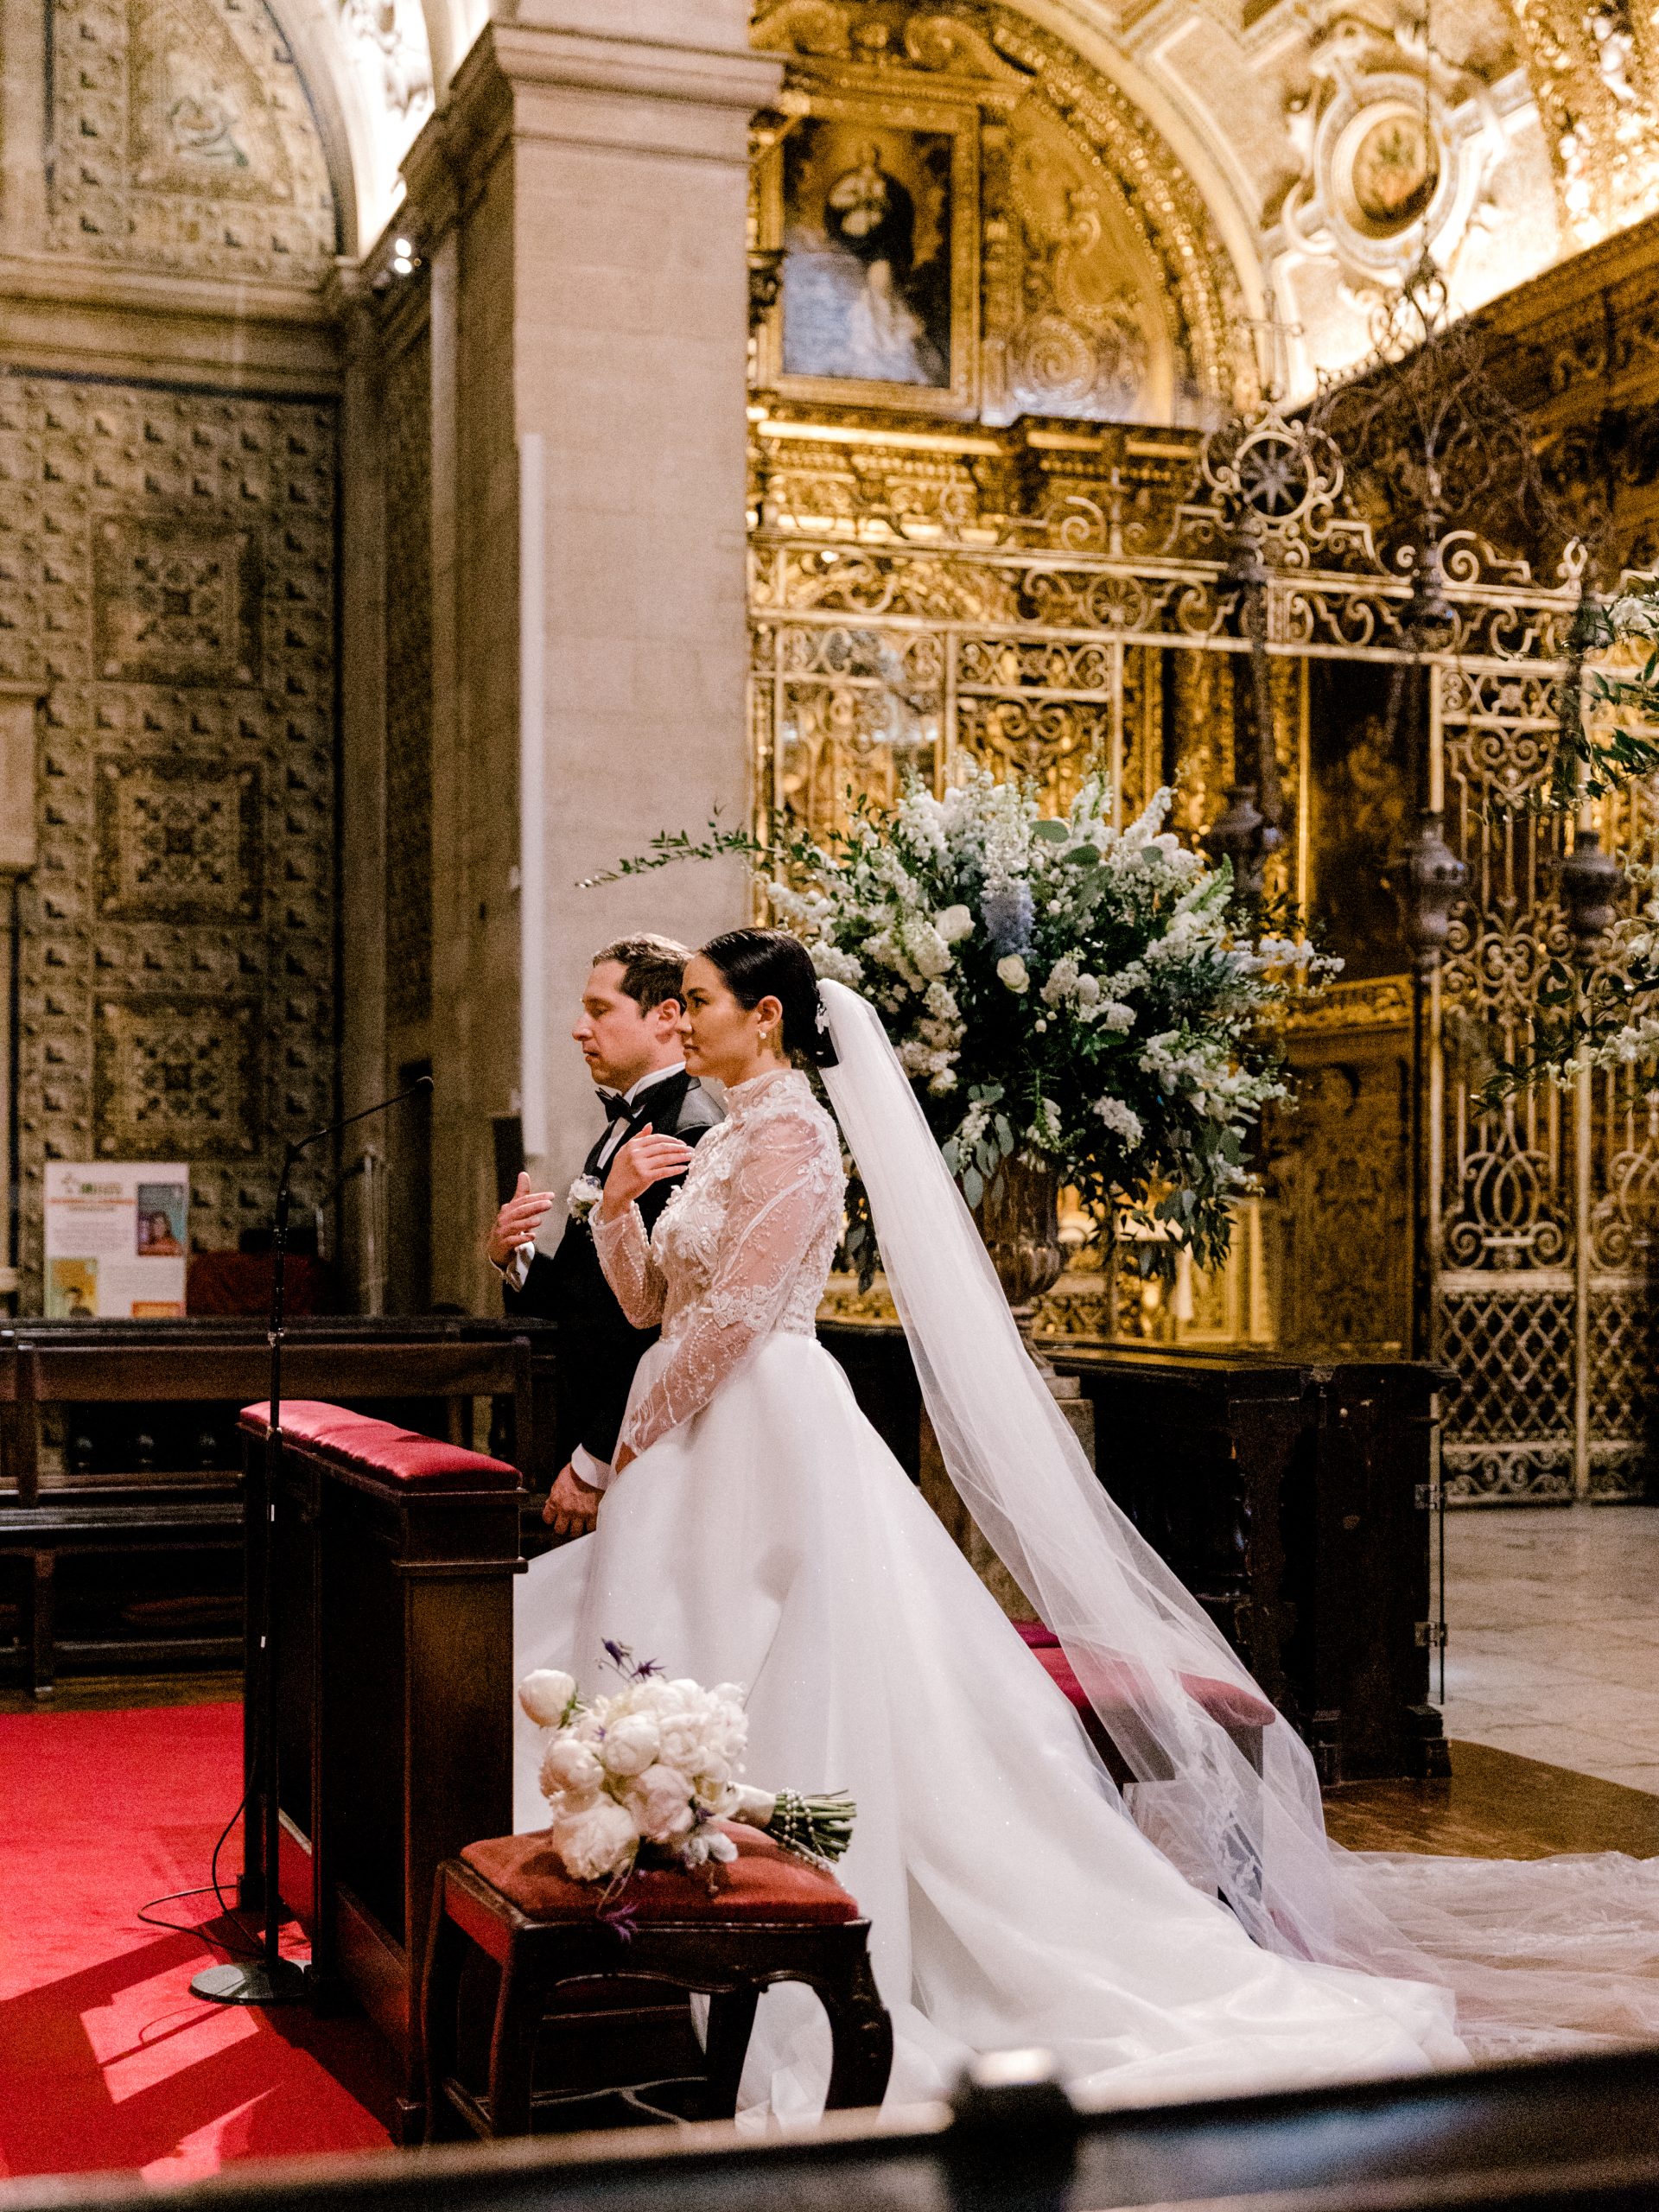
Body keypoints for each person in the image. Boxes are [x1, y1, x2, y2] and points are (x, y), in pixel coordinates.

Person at [487, 936, 721, 1536]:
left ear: (666, 1016)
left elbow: (661, 1323)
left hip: (629, 1439)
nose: (579, 1029)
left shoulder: (689, 1132)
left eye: (599, 1010)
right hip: (582, 1416)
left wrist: (595, 1458)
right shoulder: (628, 1124)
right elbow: (587, 1294)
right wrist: (515, 1257)